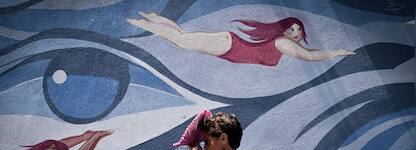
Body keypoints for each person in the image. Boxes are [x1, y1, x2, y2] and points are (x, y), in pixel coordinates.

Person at [128, 12, 355, 67]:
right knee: (181, 41)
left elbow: (309, 51)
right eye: (291, 29)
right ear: (284, 30)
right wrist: (335, 52)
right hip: (230, 45)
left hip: (229, 45)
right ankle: (146, 24)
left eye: (298, 30)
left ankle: (155, 20)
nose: (294, 33)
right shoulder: (283, 44)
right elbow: (309, 56)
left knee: (182, 40)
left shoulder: (286, 43)